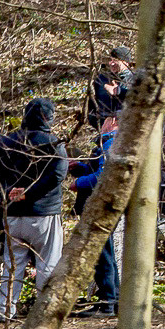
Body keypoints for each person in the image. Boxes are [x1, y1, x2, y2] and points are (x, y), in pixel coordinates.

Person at [0, 98, 66, 317]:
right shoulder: (53, 143)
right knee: (47, 262)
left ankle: (6, 309)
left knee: (13, 264)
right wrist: (28, 194)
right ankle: (44, 311)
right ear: (48, 118)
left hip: (13, 213)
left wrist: (9, 192)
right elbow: (58, 175)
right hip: (44, 212)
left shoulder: (6, 142)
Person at [70, 117, 122, 316]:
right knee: (106, 251)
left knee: (102, 254)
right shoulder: (111, 144)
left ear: (113, 121)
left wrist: (79, 182)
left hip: (101, 205)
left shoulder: (111, 142)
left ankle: (107, 301)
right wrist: (81, 168)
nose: (100, 126)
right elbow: (100, 169)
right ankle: (113, 298)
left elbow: (104, 176)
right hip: (109, 205)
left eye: (103, 121)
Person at [89, 46, 135, 132]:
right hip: (105, 130)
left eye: (116, 60)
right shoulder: (102, 79)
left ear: (126, 62)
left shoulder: (135, 80)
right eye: (111, 60)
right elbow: (92, 106)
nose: (111, 63)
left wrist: (119, 91)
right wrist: (100, 124)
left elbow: (139, 99)